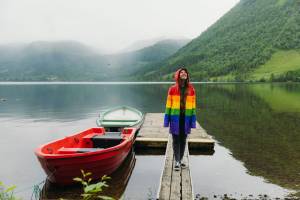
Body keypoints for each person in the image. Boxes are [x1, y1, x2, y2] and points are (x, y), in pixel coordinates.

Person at [163, 67, 196, 171]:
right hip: (175, 118)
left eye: (185, 72)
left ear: (187, 75)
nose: (183, 73)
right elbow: (168, 105)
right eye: (181, 72)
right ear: (178, 75)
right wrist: (166, 120)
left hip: (186, 118)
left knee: (183, 139)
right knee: (176, 139)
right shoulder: (172, 89)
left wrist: (193, 120)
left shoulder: (191, 89)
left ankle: (180, 160)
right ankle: (177, 161)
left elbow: (193, 106)